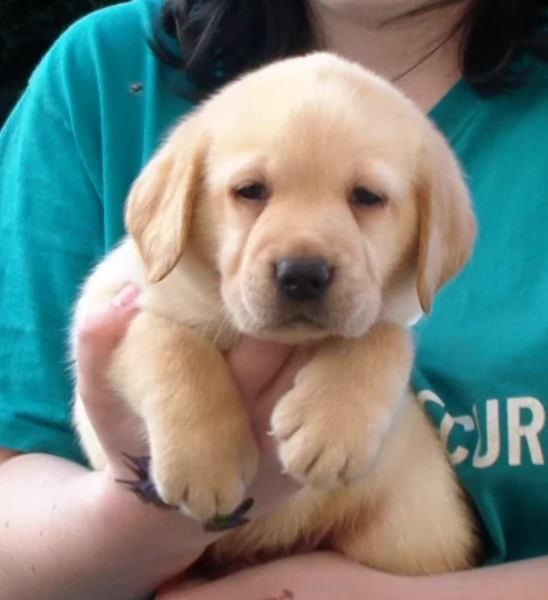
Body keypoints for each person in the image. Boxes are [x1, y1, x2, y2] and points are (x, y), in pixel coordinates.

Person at [1, 0, 548, 598]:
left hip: (396, 548)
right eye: (251, 190)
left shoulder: (432, 183)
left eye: (366, 196)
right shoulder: (104, 76)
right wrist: (147, 522)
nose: (303, 259)